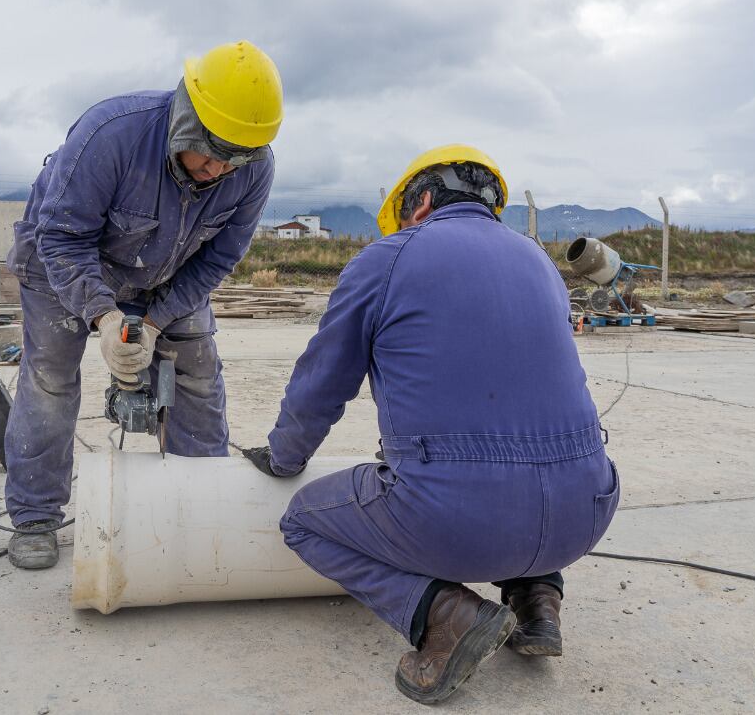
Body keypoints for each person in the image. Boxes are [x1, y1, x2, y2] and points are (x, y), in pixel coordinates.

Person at [241, 145, 620, 704]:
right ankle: (538, 604)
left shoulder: (387, 259)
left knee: (302, 521)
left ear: (418, 203)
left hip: (460, 522)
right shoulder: (538, 261)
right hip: (587, 511)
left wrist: (284, 459)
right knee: (526, 450)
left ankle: (446, 617)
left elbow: (322, 383)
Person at [3, 41, 282, 570]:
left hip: (168, 271)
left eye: (238, 158)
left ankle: (200, 503)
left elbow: (217, 261)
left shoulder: (252, 169)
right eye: (213, 151)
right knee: (50, 377)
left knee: (197, 373)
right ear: (187, 121)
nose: (220, 169)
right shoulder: (112, 134)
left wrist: (153, 323)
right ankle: (35, 514)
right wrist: (105, 318)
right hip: (62, 261)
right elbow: (60, 239)